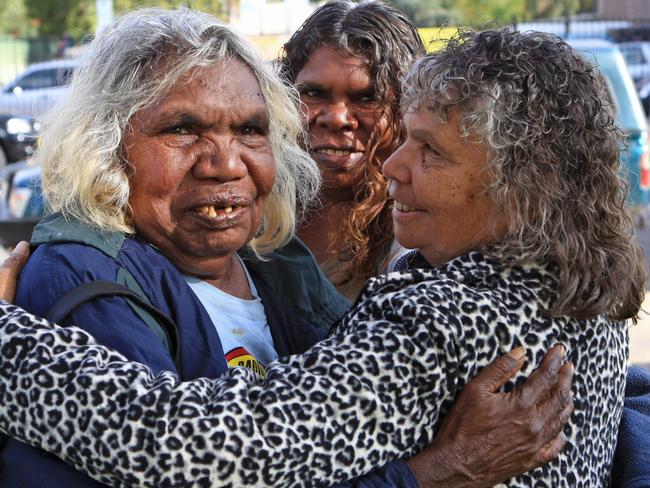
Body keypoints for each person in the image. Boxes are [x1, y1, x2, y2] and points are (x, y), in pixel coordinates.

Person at [0, 27, 632, 486]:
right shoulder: (590, 295)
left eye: (431, 151)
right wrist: (434, 472)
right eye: (184, 128)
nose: (392, 165)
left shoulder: (442, 319)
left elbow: (184, 448)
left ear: (521, 184)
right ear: (108, 143)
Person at [280, 0, 425, 300]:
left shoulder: (425, 239)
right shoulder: (250, 214)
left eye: (367, 98)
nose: (336, 118)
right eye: (314, 93)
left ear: (409, 109)